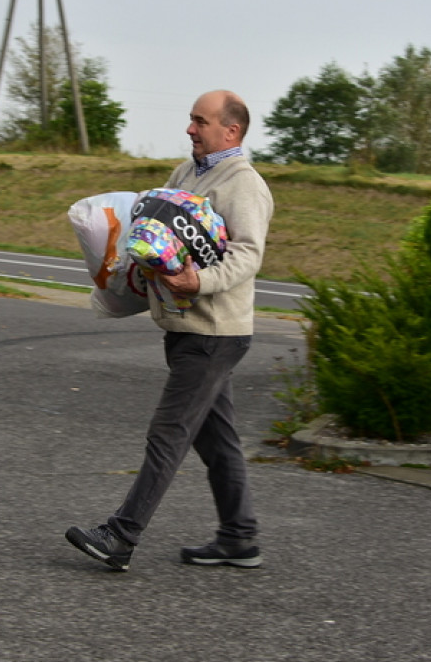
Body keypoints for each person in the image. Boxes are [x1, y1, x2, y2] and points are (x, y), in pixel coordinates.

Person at [65, 90, 274, 571]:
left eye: (200, 121)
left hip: (214, 332)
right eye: (191, 119)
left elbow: (247, 255)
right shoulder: (186, 174)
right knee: (214, 438)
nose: (190, 129)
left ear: (231, 131)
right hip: (185, 327)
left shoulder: (244, 185)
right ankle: (239, 539)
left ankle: (121, 535)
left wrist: (198, 280)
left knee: (170, 430)